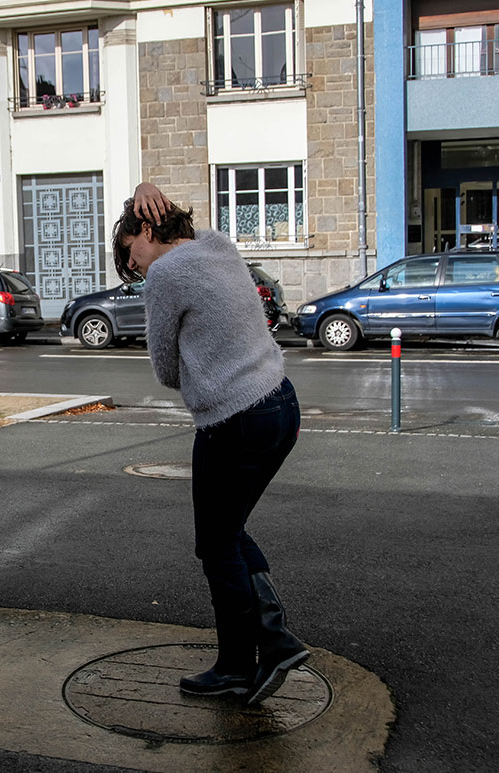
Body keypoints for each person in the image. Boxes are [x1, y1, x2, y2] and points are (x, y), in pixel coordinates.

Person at [114, 183, 308, 706]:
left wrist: (195, 357)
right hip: (280, 405)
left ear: (147, 229)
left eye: (132, 253)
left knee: (217, 544)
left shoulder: (166, 275)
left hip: (233, 420)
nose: (134, 267)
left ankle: (242, 663)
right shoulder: (218, 245)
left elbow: (165, 370)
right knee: (230, 531)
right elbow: (183, 230)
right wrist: (144, 189)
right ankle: (271, 639)